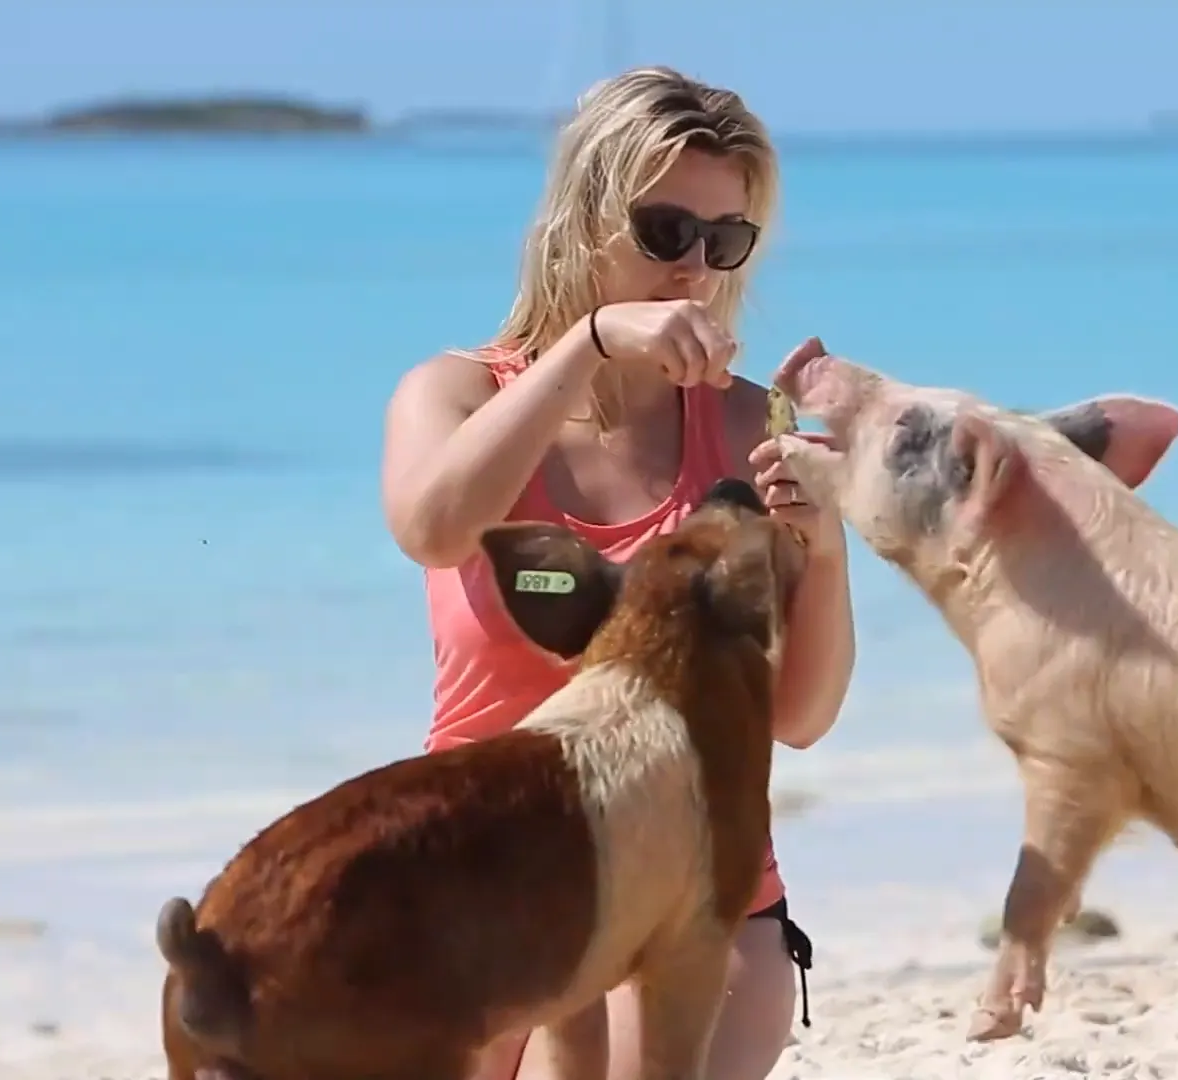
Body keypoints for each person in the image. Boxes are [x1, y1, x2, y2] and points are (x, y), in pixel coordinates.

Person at [380, 65, 854, 1080]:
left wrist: (827, 544)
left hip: (683, 887)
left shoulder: (747, 425)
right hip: (477, 871)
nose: (694, 269)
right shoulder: (455, 394)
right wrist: (587, 347)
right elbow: (431, 529)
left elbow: (801, 716)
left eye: (723, 242)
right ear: (584, 219)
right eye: (665, 232)